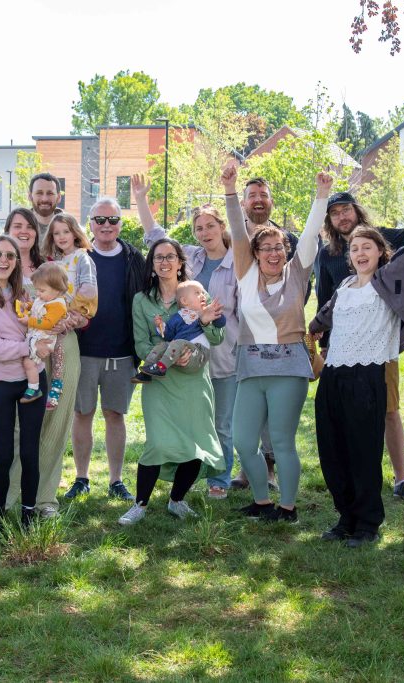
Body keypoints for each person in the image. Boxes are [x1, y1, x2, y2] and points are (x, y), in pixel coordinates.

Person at [308, 182, 404, 548]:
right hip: (333, 375)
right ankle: (345, 517)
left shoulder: (388, 279)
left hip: (368, 375)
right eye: (355, 249)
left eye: (367, 247)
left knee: (362, 451)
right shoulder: (344, 286)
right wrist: (312, 329)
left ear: (380, 252)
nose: (359, 253)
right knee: (333, 449)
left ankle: (368, 524)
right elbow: (325, 315)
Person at [223, 161, 328, 523]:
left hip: (288, 368)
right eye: (265, 247)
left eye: (278, 247)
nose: (272, 253)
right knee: (243, 441)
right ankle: (261, 501)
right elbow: (238, 231)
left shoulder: (297, 275)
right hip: (251, 368)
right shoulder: (245, 273)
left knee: (281, 441)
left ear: (286, 251)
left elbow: (312, 234)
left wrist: (321, 196)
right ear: (255, 253)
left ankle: (287, 507)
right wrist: (230, 189)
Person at [134, 173, 240, 499]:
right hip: (179, 360)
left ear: (222, 227)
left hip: (220, 353)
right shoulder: (191, 257)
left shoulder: (238, 262)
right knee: (180, 430)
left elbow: (224, 322)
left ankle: (218, 480)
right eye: (199, 227)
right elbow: (157, 241)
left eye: (210, 225)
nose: (205, 232)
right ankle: (175, 488)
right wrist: (140, 198)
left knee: (219, 424)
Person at [0, 208, 90, 518]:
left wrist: (68, 320)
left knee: (55, 425)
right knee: (16, 432)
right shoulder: (0, 269)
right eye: (17, 226)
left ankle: (44, 500)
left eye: (29, 226)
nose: (24, 231)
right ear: (7, 230)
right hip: (21, 356)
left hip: (61, 348)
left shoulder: (52, 267)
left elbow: (83, 312)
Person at [120, 238, 225, 525]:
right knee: (157, 442)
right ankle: (139, 505)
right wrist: (164, 355)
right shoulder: (142, 300)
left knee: (196, 442)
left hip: (193, 380)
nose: (164, 262)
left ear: (180, 262)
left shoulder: (197, 292)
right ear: (151, 265)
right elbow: (141, 343)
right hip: (160, 381)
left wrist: (203, 323)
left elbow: (217, 337)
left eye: (170, 257)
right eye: (158, 258)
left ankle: (177, 500)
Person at [0, 236, 51, 540]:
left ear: (17, 261)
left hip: (33, 379)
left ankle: (29, 515)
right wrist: (29, 345)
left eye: (10, 256)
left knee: (30, 452)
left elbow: (42, 328)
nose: (4, 260)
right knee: (3, 455)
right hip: (0, 382)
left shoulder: (27, 294)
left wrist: (37, 340)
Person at [66, 199, 144, 502]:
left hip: (121, 352)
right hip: (83, 351)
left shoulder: (133, 258)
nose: (106, 225)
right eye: (100, 219)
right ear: (90, 223)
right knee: (82, 412)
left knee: (115, 414)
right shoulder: (78, 258)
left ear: (121, 224)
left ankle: (116, 480)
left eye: (113, 219)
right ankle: (81, 478)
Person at [229, 175, 299, 491]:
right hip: (241, 342)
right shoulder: (240, 243)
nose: (258, 199)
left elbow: (298, 286)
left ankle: (274, 478)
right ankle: (252, 474)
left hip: (282, 343)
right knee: (245, 421)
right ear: (244, 201)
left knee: (278, 424)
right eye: (252, 194)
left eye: (263, 194)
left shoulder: (286, 245)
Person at [41, 213, 99, 410]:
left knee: (58, 346)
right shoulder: (55, 261)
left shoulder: (82, 258)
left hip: (72, 312)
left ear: (75, 233)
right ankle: (37, 382)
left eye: (66, 231)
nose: (61, 236)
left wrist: (71, 311)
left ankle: (56, 385)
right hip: (54, 312)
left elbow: (89, 289)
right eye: (56, 233)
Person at [132, 280, 224, 382]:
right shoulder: (179, 316)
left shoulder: (206, 311)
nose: (203, 295)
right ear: (184, 301)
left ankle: (161, 368)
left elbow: (221, 324)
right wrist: (160, 325)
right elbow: (168, 334)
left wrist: (216, 316)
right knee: (162, 345)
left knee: (177, 343)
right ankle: (147, 372)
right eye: (197, 293)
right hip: (181, 350)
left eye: (202, 293)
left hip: (199, 354)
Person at [16, 262, 70, 406]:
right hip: (36, 335)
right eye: (37, 290)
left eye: (41, 290)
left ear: (57, 290)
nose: (38, 293)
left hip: (45, 338)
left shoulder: (57, 305)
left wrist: (29, 321)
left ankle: (34, 388)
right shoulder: (45, 298)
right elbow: (35, 305)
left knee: (28, 362)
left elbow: (48, 323)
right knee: (26, 361)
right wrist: (26, 305)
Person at [28, 172, 62, 238]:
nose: (44, 199)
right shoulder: (18, 228)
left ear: (58, 197)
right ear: (30, 196)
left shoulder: (72, 228)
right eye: (39, 193)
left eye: (50, 193)